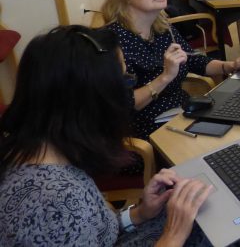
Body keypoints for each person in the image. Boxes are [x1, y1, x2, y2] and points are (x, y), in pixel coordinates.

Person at [0, 25, 212, 246]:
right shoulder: (53, 202)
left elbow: (92, 232)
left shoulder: (40, 157)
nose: (126, 96)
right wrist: (173, 234)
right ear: (93, 101)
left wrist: (140, 213)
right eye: (125, 81)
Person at [101, 0, 240, 141]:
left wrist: (231, 65)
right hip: (146, 130)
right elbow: (124, 105)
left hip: (180, 115)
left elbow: (193, 60)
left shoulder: (161, 28)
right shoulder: (112, 42)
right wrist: (165, 77)